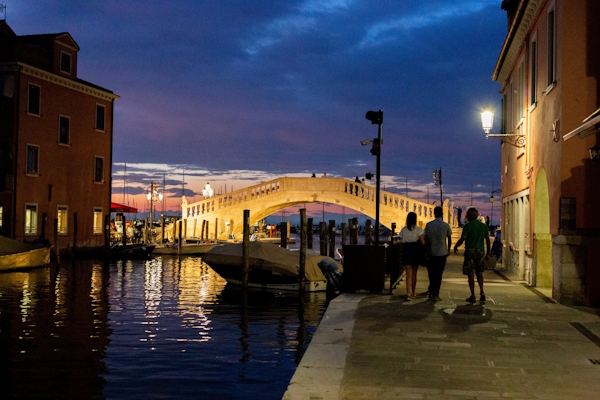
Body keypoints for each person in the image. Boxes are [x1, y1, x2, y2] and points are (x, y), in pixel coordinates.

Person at [454, 207, 491, 303]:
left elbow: (463, 239)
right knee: (480, 273)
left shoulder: (467, 226)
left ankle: (473, 295)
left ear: (469, 216)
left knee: (471, 274)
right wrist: (488, 253)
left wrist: (456, 246)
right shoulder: (483, 226)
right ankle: (482, 292)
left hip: (470, 251)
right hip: (481, 251)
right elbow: (487, 240)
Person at [424, 206, 452, 301]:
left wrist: (426, 250)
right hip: (442, 252)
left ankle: (431, 290)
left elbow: (426, 238)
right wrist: (448, 249)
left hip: (431, 252)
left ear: (434, 214)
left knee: (431, 273)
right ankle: (436, 293)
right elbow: (449, 237)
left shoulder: (429, 225)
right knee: (439, 273)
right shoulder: (446, 225)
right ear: (442, 214)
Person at [398, 212, 425, 300]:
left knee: (408, 274)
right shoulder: (418, 229)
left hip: (406, 250)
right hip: (415, 250)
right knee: (414, 274)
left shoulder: (404, 230)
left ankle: (408, 293)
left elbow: (401, 240)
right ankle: (413, 292)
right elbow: (423, 242)